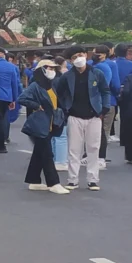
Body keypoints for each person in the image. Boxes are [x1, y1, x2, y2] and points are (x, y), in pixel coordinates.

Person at [55, 46, 111, 191]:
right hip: (74, 116)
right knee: (74, 150)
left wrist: (104, 108)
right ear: (70, 60)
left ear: (86, 55)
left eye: (80, 55)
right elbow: (59, 93)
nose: (78, 59)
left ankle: (93, 180)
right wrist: (65, 107)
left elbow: (105, 91)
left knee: (93, 148)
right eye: (74, 57)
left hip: (94, 116)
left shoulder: (96, 73)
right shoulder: (67, 77)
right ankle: (72, 179)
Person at [17, 59, 69, 194]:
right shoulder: (35, 85)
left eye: (53, 68)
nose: (51, 70)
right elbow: (22, 99)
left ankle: (34, 180)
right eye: (48, 68)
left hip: (50, 123)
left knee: (38, 154)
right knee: (47, 154)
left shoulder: (51, 85)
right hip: (40, 124)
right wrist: (36, 105)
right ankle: (54, 183)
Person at [51, 56, 70, 170]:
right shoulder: (62, 80)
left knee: (53, 136)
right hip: (61, 110)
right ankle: (61, 161)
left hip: (51, 110)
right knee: (61, 136)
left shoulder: (49, 80)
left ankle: (54, 159)